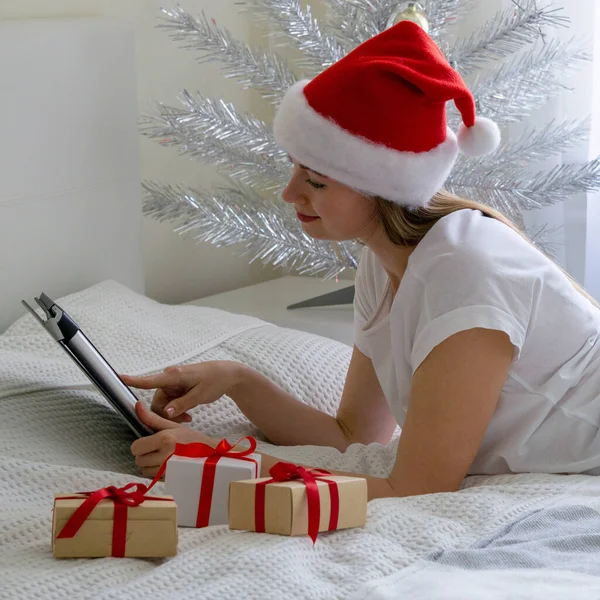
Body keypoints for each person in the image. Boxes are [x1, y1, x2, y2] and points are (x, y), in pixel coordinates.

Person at [122, 20, 600, 501]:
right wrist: (237, 380)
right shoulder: (384, 258)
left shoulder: (465, 272)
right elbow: (355, 436)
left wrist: (220, 460)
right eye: (296, 170)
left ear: (382, 185)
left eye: (317, 181)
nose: (289, 194)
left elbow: (419, 487)